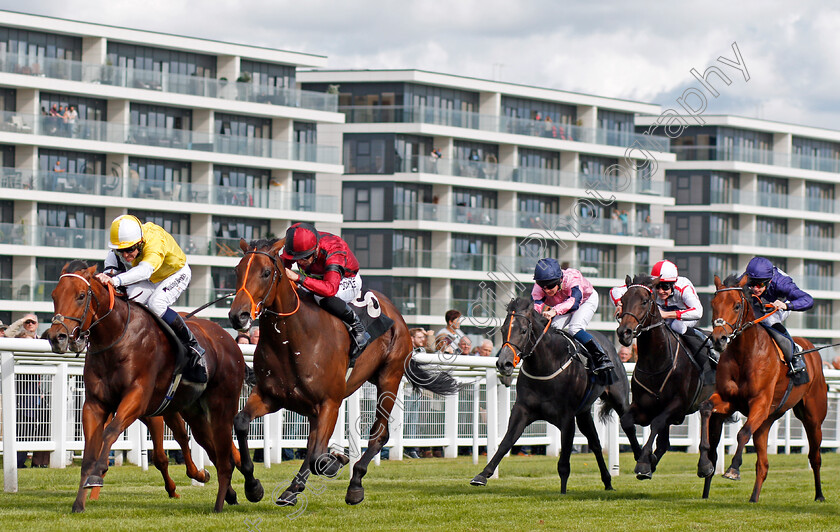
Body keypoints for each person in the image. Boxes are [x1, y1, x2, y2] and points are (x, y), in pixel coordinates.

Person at [95, 214, 207, 383]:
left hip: (175, 274)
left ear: (140, 242)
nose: (125, 255)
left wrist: (115, 280)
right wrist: (109, 273)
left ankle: (192, 345)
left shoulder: (155, 241)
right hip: (151, 278)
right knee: (130, 302)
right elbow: (112, 258)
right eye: (121, 250)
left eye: (129, 250)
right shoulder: (126, 243)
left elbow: (144, 271)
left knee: (156, 303)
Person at [280, 222, 369, 366]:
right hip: (319, 277)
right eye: (296, 258)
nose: (300, 262)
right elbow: (282, 266)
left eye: (304, 257)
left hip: (346, 280)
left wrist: (298, 277)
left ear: (315, 249)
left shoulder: (334, 250)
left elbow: (330, 289)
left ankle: (358, 327)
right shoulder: (296, 246)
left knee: (320, 296)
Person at [611, 260, 714, 366]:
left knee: (676, 325)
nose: (660, 291)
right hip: (663, 313)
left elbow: (698, 312)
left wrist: (666, 314)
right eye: (658, 286)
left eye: (665, 287)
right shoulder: (649, 285)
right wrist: (619, 304)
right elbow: (615, 291)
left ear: (673, 284)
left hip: (685, 316)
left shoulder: (683, 287)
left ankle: (704, 341)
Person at [532, 258, 614, 379]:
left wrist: (554, 311)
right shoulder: (540, 287)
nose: (546, 290)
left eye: (550, 286)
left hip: (585, 301)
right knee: (553, 329)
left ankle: (602, 358)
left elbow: (575, 302)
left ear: (559, 280)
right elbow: (536, 307)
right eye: (542, 287)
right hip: (563, 304)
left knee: (574, 328)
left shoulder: (572, 277)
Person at [742, 256, 813, 378]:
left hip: (780, 304)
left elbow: (808, 300)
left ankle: (795, 354)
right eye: (752, 284)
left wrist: (786, 305)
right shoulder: (747, 278)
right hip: (759, 303)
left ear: (769, 281)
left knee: (769, 320)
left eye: (759, 285)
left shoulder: (782, 283)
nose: (755, 288)